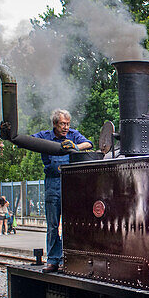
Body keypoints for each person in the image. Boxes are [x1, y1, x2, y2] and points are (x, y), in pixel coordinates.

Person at [33, 109, 90, 271]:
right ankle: (52, 260)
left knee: (70, 223)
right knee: (52, 225)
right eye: (62, 124)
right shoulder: (44, 136)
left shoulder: (73, 135)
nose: (66, 127)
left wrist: (75, 147)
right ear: (54, 124)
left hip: (71, 182)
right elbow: (30, 141)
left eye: (67, 124)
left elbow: (88, 143)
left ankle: (68, 258)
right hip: (52, 182)